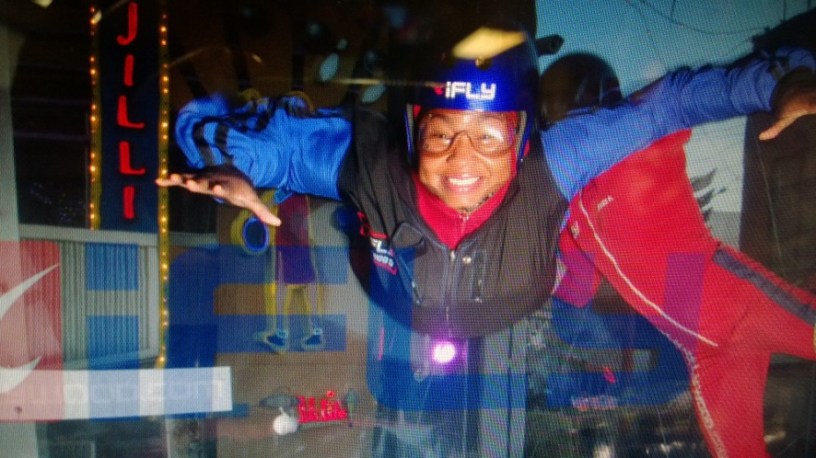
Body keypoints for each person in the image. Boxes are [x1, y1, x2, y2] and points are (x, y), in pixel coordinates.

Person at [157, 23, 816, 454]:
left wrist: (780, 81)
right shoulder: (371, 161)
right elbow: (262, 138)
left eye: (490, 136)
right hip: (407, 302)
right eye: (442, 133)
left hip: (557, 302)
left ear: (523, 138)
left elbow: (671, 102)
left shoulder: (562, 160)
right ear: (414, 130)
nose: (462, 162)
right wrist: (232, 166)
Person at [547, 53, 816, 457]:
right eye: (558, 127)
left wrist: (785, 79)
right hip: (705, 353)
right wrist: (542, 282)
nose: (578, 138)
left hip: (738, 302)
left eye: (579, 123)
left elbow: (691, 95)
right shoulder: (572, 209)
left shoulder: (641, 133)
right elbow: (577, 286)